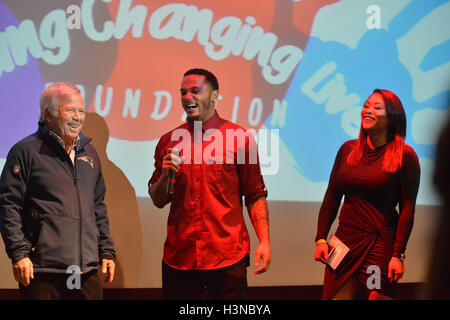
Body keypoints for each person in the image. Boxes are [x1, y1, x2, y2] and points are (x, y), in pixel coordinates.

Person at [148, 68, 270, 300]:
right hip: (180, 258)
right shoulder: (168, 140)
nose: (186, 97)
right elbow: (158, 200)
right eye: (183, 92)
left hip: (227, 256)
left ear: (214, 96)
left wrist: (264, 241)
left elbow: (255, 194)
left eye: (195, 91)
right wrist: (165, 175)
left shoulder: (240, 138)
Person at [0, 82, 116, 300]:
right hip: (44, 271)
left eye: (81, 111)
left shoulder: (89, 153)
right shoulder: (25, 151)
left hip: (86, 270)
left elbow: (98, 206)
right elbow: (8, 206)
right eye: (70, 110)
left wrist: (106, 250)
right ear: (48, 113)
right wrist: (19, 254)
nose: (78, 117)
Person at [314, 89, 420, 300]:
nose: (368, 110)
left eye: (377, 107)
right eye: (366, 106)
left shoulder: (404, 156)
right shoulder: (348, 149)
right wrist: (320, 239)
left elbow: (408, 208)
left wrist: (398, 254)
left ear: (392, 118)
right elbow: (332, 197)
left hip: (378, 245)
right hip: (343, 243)